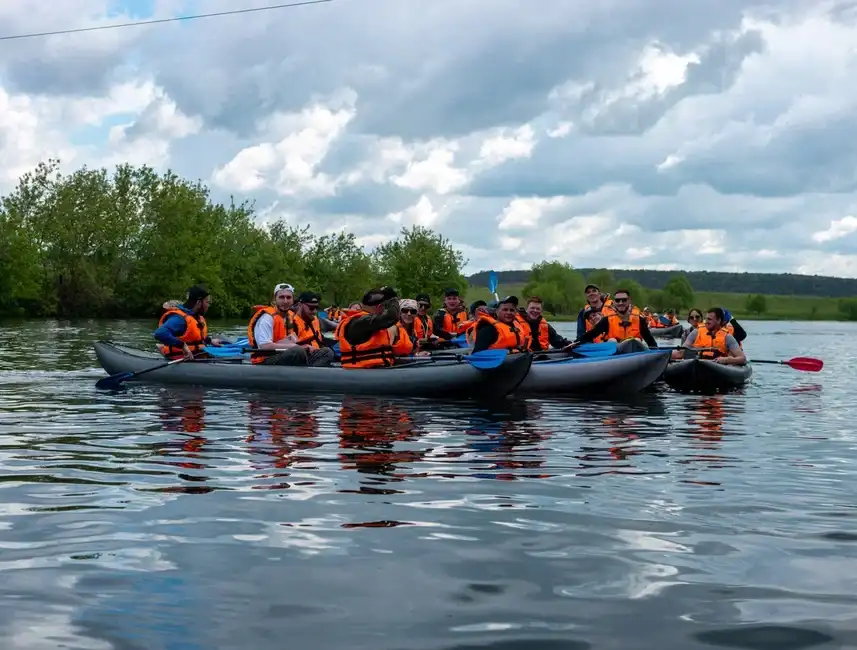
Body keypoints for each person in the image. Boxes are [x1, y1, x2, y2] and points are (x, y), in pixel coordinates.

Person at [154, 284, 226, 359]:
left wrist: (210, 341)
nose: (208, 305)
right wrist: (182, 345)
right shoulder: (179, 319)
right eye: (207, 302)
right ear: (198, 303)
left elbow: (195, 338)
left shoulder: (196, 317)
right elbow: (159, 333)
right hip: (182, 359)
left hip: (198, 356)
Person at [338, 287, 402, 368]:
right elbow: (390, 317)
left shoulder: (365, 321)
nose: (384, 311)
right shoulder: (361, 322)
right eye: (384, 307)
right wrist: (393, 299)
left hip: (376, 369)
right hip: (362, 371)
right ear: (379, 307)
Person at [573, 288, 658, 348]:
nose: (620, 303)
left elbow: (651, 342)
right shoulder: (607, 320)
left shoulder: (640, 320)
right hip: (615, 356)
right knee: (612, 341)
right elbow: (590, 335)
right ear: (614, 302)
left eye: (624, 300)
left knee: (636, 340)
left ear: (629, 300)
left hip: (634, 353)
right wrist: (573, 344)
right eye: (617, 300)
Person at [247, 283, 307, 365]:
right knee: (298, 351)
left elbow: (290, 341)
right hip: (265, 360)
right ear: (274, 299)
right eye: (281, 297)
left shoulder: (290, 317)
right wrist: (293, 346)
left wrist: (305, 347)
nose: (285, 301)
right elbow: (265, 346)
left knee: (323, 352)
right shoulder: (267, 318)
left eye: (288, 297)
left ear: (293, 300)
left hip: (283, 354)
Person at [673, 307, 746, 365]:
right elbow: (680, 353)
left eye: (709, 319)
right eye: (706, 319)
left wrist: (726, 360)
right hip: (700, 363)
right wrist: (668, 354)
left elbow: (742, 358)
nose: (706, 322)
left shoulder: (728, 337)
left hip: (719, 366)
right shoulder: (696, 332)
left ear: (718, 320)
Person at [291, 292, 336, 366]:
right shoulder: (292, 323)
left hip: (317, 355)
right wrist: (302, 347)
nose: (315, 311)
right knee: (327, 352)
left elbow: (337, 326)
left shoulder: (316, 320)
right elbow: (287, 347)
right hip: (301, 360)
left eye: (316, 308)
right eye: (311, 308)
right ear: (300, 305)